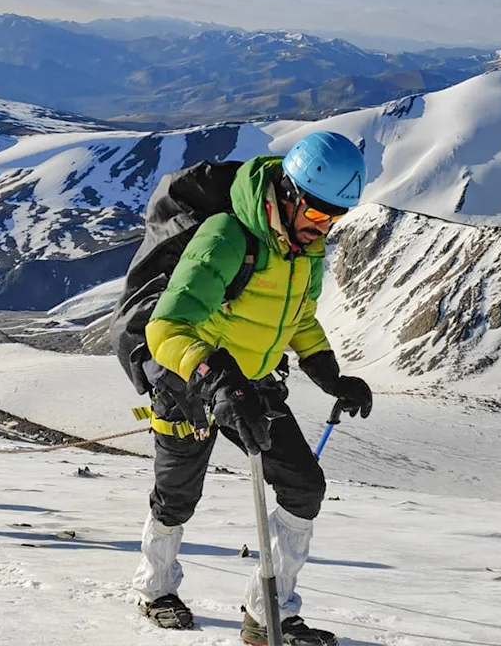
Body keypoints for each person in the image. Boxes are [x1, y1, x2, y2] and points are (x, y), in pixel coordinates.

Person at [130, 132, 374, 646]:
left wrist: (329, 372)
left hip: (252, 385)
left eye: (334, 218)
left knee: (304, 486)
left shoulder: (306, 249)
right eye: (318, 214)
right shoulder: (226, 238)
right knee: (176, 496)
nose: (324, 228)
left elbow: (298, 317)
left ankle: (269, 614)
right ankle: (154, 590)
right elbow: (164, 330)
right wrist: (216, 378)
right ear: (287, 193)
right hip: (189, 384)